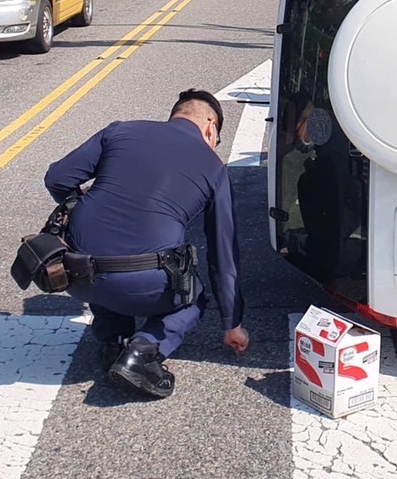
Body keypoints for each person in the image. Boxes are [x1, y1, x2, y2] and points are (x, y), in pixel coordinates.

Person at [43, 89, 249, 399]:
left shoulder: (120, 131)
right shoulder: (214, 167)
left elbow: (57, 177)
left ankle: (112, 342)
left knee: (103, 253)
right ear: (211, 126)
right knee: (194, 296)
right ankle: (142, 353)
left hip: (74, 274)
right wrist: (232, 322)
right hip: (143, 284)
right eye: (216, 137)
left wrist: (79, 202)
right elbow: (223, 254)